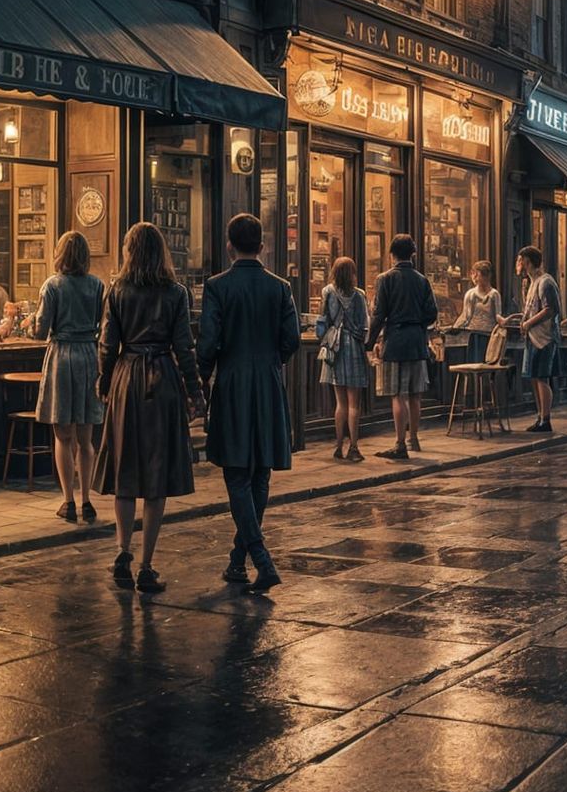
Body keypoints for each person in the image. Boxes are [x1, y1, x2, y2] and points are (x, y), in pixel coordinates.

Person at [94, 221, 205, 595]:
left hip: (127, 378)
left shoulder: (118, 290)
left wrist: (105, 380)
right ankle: (146, 564)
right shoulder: (175, 292)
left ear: (128, 251)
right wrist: (195, 391)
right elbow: (185, 348)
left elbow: (108, 343)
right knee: (157, 476)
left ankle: (121, 551)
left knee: (126, 467)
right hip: (162, 380)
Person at [198, 213, 300, 593]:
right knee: (260, 473)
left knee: (237, 472)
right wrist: (271, 362)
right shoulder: (280, 288)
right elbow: (290, 340)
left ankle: (258, 557)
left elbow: (208, 342)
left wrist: (202, 379)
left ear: (229, 245)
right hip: (269, 382)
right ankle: (238, 560)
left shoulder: (217, 287)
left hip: (233, 382)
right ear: (262, 246)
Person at [31, 231, 106, 524]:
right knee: (86, 438)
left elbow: (40, 330)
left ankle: (68, 501)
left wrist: (31, 323)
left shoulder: (53, 286)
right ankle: (87, 499)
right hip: (89, 354)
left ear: (59, 254)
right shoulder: (97, 285)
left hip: (61, 356)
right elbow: (104, 324)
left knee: (63, 435)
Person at [366, 234, 439, 460]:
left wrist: (370, 342)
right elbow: (432, 313)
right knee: (415, 394)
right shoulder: (422, 280)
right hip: (417, 341)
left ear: (392, 254)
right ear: (412, 254)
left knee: (398, 394)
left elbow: (378, 314)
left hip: (395, 339)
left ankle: (400, 444)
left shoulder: (385, 279)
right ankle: (414, 439)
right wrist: (418, 325)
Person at [316, 256, 370, 461]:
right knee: (354, 403)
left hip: (334, 347)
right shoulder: (359, 295)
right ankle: (354, 446)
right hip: (353, 347)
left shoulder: (327, 292)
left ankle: (338, 446)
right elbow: (365, 325)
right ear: (353, 274)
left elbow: (322, 320)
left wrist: (323, 338)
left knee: (340, 402)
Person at [500, 246, 560, 432]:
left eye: (521, 261)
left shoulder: (545, 282)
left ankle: (546, 419)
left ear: (528, 262)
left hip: (544, 337)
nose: (519, 265)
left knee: (542, 377)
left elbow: (550, 309)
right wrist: (521, 319)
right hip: (533, 336)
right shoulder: (532, 282)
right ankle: (540, 416)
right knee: (534, 377)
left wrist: (528, 323)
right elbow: (533, 308)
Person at [453, 260, 502, 364]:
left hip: (490, 336)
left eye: (477, 274)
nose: (474, 277)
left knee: (488, 365)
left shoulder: (494, 294)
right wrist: (454, 328)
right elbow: (466, 316)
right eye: (473, 274)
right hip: (474, 335)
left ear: (487, 276)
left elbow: (498, 316)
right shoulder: (470, 294)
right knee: (474, 364)